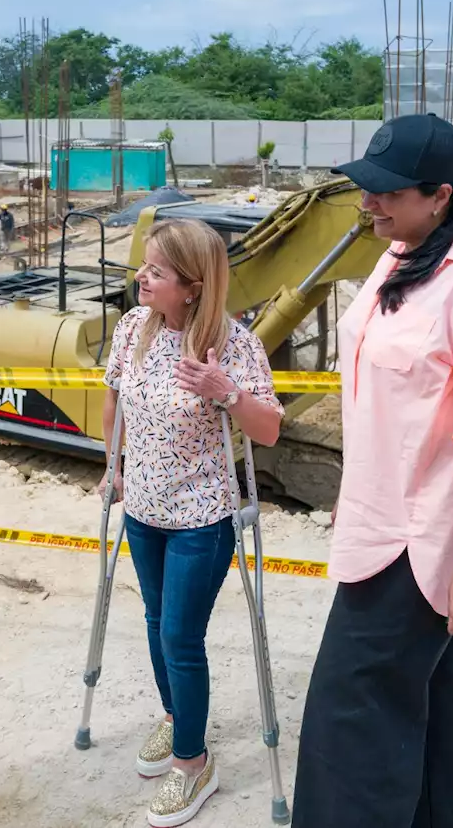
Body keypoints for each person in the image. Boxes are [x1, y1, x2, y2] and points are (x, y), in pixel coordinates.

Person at [291, 113, 453, 827]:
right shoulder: (403, 256)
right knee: (427, 703)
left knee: (352, 729)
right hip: (380, 524)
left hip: (422, 542)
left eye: (386, 192)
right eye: (366, 189)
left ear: (440, 194)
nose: (369, 202)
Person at [101, 217, 284, 827]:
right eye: (144, 266)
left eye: (156, 271)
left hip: (202, 515)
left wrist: (226, 391)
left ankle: (193, 762)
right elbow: (113, 400)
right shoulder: (133, 329)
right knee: (155, 623)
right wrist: (113, 466)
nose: (141, 278)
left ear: (194, 286)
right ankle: (178, 717)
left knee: (181, 636)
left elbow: (268, 429)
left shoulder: (233, 344)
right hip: (144, 510)